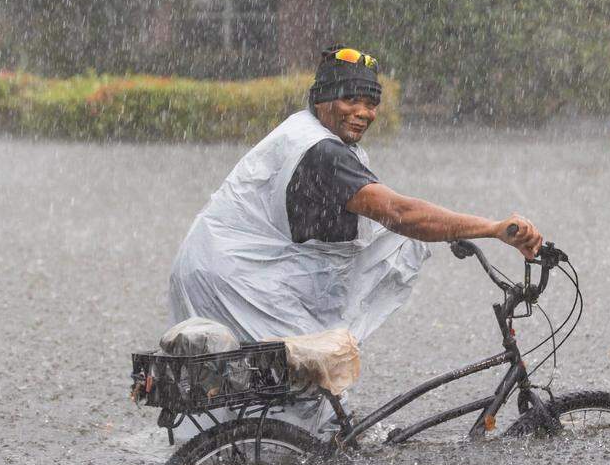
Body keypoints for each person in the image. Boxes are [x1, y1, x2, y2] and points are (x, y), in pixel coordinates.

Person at [168, 45, 542, 430]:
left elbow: (375, 216)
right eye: (350, 99)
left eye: (371, 103)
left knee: (280, 390)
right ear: (323, 99)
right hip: (235, 278)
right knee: (299, 385)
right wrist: (493, 228)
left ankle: (260, 459)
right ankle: (287, 464)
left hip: (226, 267)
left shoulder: (307, 132)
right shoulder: (321, 151)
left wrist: (443, 231)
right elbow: (398, 214)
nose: (363, 113)